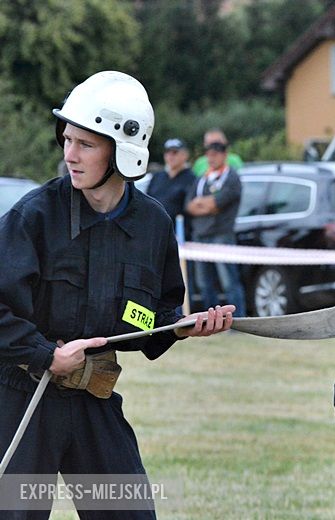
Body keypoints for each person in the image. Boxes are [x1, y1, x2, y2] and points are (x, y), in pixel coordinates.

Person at [0, 71, 235, 518]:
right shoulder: (33, 216)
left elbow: (149, 319)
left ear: (122, 150)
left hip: (94, 398)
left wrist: (182, 328)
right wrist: (45, 355)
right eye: (67, 139)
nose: (69, 154)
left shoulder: (153, 225)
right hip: (23, 397)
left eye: (85, 144)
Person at [185, 140, 246, 317]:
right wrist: (205, 204)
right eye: (209, 154)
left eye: (215, 154)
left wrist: (203, 203)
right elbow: (189, 206)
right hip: (200, 236)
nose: (211, 158)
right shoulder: (202, 178)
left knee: (229, 281)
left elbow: (217, 204)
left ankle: (238, 320)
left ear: (224, 155)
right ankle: (210, 321)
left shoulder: (231, 177)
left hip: (222, 235)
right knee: (203, 282)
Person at [146, 137, 196, 233]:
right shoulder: (157, 177)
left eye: (175, 152)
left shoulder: (192, 179)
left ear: (185, 155)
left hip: (179, 233)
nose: (170, 156)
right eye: (167, 152)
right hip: (154, 230)